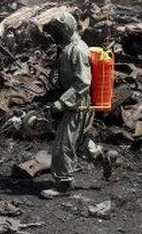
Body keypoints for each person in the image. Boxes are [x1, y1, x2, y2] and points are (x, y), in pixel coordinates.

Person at [40, 11, 116, 199]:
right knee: (79, 140)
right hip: (75, 102)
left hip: (77, 105)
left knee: (63, 144)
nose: (53, 35)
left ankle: (63, 184)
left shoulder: (78, 50)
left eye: (56, 31)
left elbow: (83, 82)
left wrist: (62, 102)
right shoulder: (68, 47)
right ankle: (100, 156)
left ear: (64, 30)